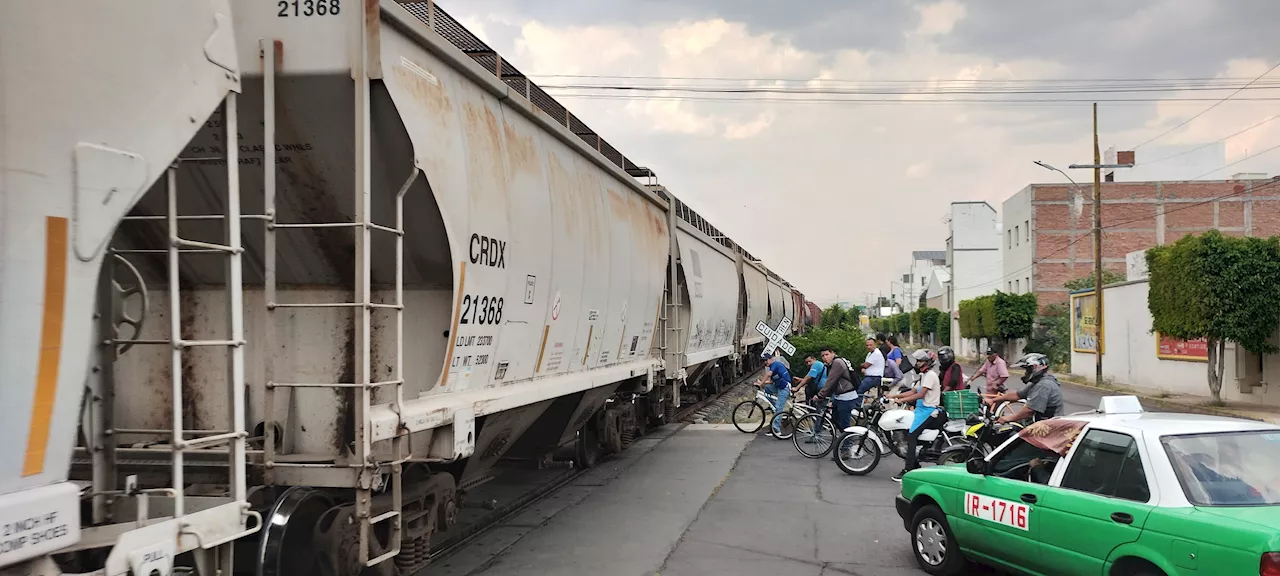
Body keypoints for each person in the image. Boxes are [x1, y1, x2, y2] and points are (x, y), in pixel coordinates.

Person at [886, 349, 945, 481]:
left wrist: (900, 400)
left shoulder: (930, 375)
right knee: (907, 433)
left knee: (911, 436)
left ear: (927, 362)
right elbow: (913, 390)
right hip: (921, 410)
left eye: (920, 361)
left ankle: (908, 470)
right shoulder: (924, 375)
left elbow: (920, 395)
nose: (917, 363)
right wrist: (893, 395)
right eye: (917, 361)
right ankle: (915, 463)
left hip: (929, 411)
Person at [984, 352, 1064, 425]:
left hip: (1050, 427)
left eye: (1027, 370)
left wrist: (1009, 418)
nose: (1026, 373)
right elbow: (1017, 395)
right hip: (1041, 423)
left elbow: (1029, 411)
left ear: (1035, 367)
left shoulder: (1044, 385)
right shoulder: (1038, 382)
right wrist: (993, 400)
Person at [815, 347, 857, 433]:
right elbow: (832, 384)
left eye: (827, 354)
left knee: (844, 424)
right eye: (823, 356)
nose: (825, 357)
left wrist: (820, 395)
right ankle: (841, 439)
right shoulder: (830, 365)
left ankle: (847, 444)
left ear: (832, 353)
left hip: (846, 396)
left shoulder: (837, 363)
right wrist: (826, 395)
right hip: (839, 397)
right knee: (834, 419)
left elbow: (830, 381)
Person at [755, 353, 793, 435]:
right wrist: (763, 383)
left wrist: (761, 383)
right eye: (763, 361)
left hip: (784, 387)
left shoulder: (775, 364)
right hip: (778, 386)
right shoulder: (773, 367)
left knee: (779, 408)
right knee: (768, 388)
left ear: (771, 359)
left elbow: (768, 375)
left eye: (766, 360)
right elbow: (772, 381)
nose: (765, 362)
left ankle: (776, 430)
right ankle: (773, 405)